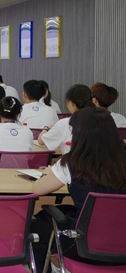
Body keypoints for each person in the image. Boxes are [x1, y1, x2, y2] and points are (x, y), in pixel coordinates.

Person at [32, 107, 126, 271]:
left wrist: (48, 173)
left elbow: (37, 189)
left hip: (83, 247)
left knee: (43, 218)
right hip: (122, 243)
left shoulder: (72, 162)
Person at [38, 84, 95, 154]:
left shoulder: (65, 123)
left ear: (71, 103)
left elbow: (41, 141)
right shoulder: (103, 120)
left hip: (73, 160)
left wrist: (46, 128)